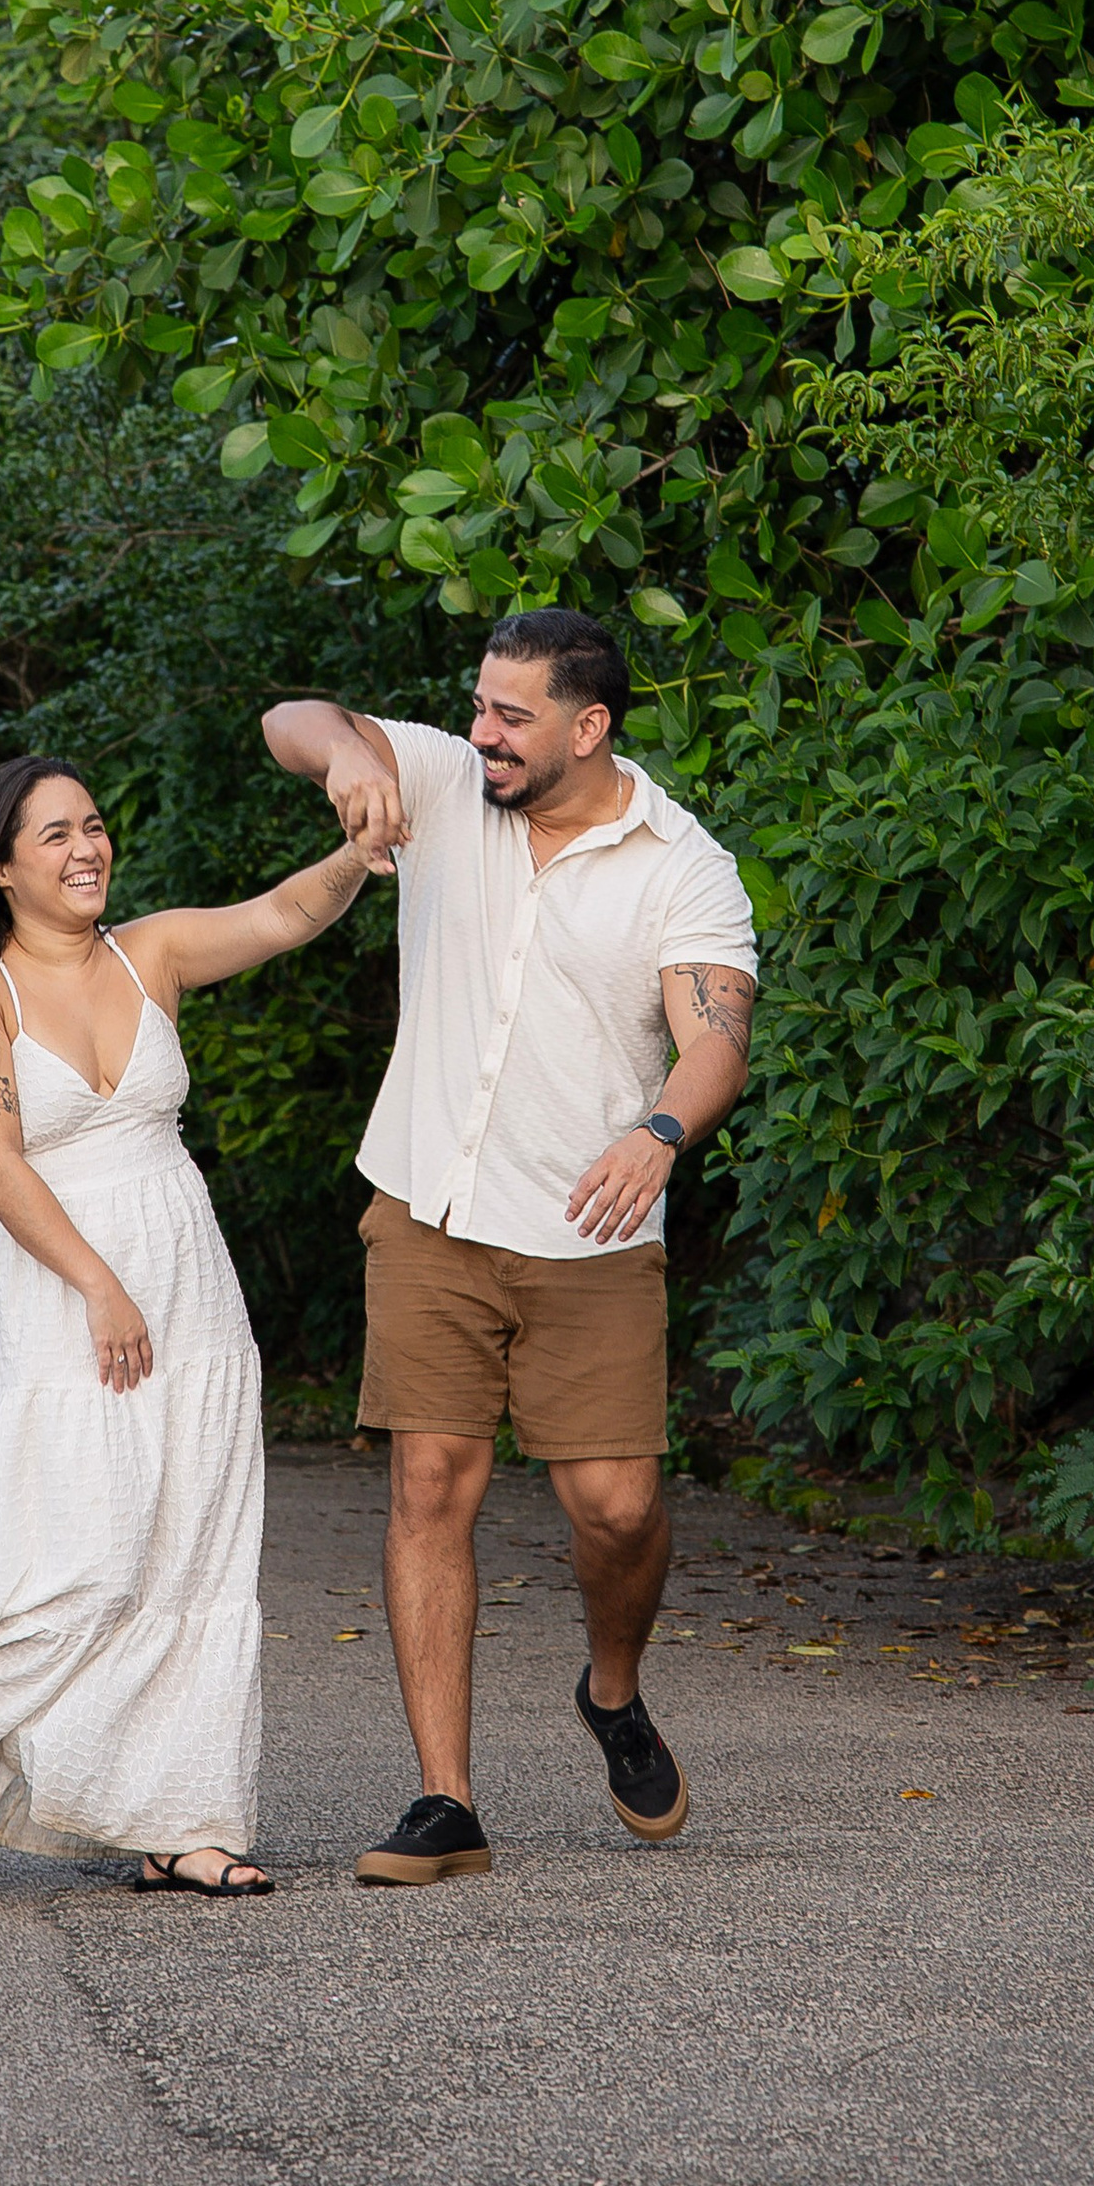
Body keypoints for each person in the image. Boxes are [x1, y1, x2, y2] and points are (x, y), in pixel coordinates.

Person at [264, 611, 756, 1885]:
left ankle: (611, 1688)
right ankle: (446, 1802)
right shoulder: (438, 778)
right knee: (430, 1486)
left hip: (587, 1231)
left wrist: (658, 1132)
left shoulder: (680, 865)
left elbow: (714, 1039)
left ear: (589, 728)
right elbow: (292, 718)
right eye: (477, 706)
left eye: (513, 716)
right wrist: (344, 762)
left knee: (619, 1508)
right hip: (428, 1206)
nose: (483, 732)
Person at [0, 754, 371, 1896]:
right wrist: (98, 1282)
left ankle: (184, 1822)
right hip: (58, 1284)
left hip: (186, 1272)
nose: (88, 850)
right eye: (55, 837)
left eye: (94, 827)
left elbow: (282, 915)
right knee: (83, 1552)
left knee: (192, 1548)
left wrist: (358, 854)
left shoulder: (153, 949)